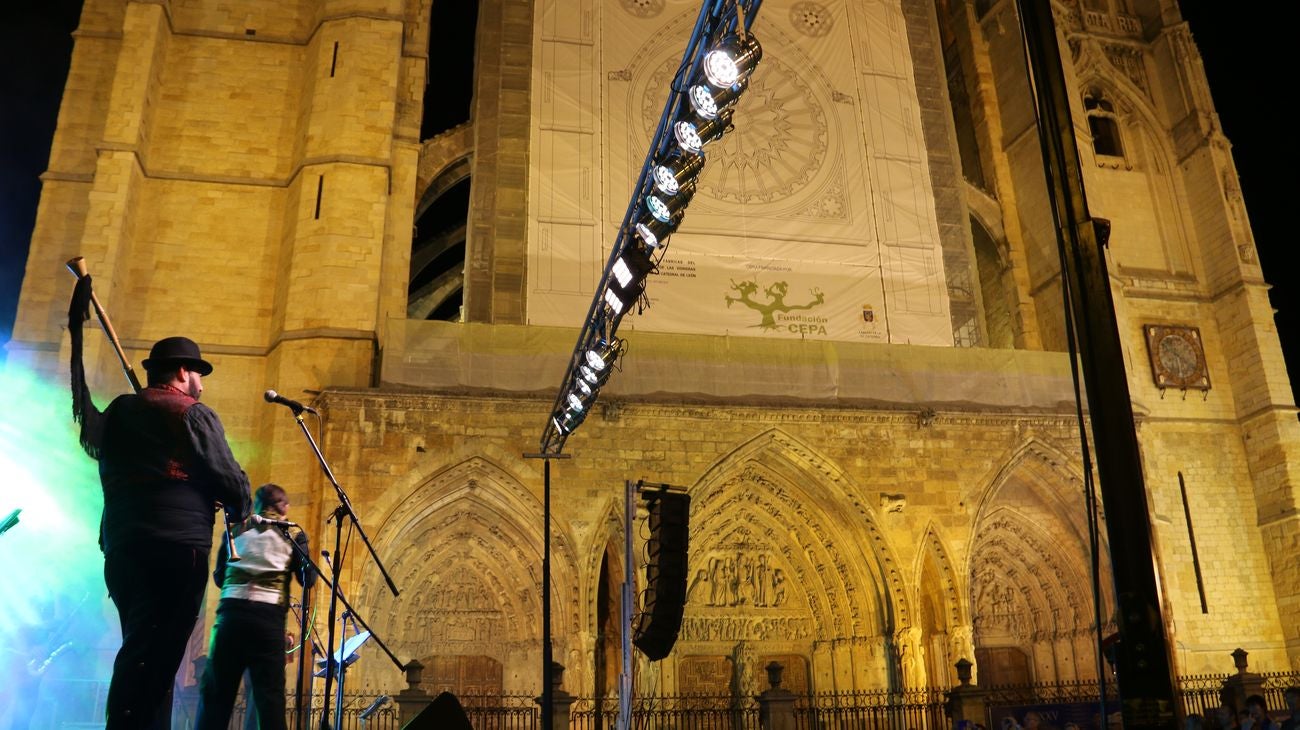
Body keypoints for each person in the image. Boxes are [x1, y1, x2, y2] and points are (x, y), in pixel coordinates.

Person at [98, 336, 252, 729]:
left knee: (145, 650)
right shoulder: (192, 413)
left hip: (121, 547)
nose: (202, 383)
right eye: (198, 374)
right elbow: (229, 480)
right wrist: (238, 501)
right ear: (184, 372)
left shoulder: (119, 412)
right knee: (151, 657)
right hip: (175, 547)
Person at [197, 483, 315, 730]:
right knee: (269, 698)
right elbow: (308, 579)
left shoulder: (235, 530)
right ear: (284, 507)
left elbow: (219, 577)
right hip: (267, 620)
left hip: (230, 618)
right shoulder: (291, 533)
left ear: (258, 505)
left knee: (216, 696)